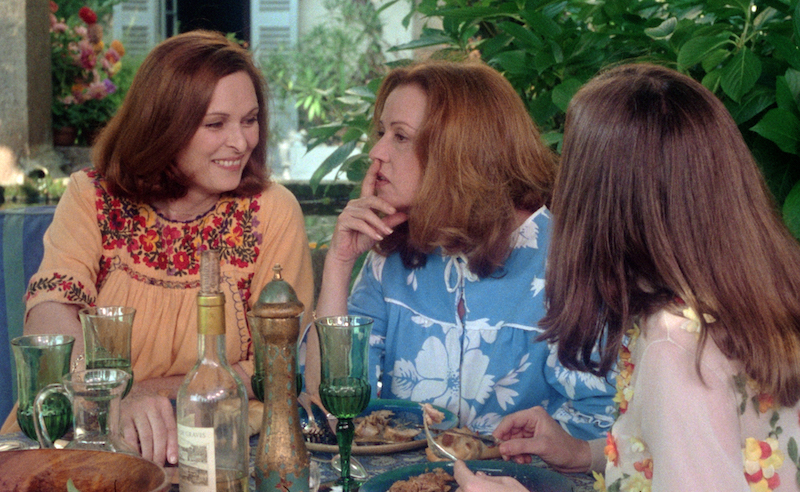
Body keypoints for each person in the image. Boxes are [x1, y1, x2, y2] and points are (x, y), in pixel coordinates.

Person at [456, 63, 800, 491]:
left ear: (598, 202)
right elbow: (699, 450)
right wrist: (585, 453)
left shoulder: (676, 348)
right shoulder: (745, 300)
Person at [4, 30, 315, 466]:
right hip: (81, 439)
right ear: (163, 126)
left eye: (250, 120)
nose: (242, 141)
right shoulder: (92, 196)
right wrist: (110, 403)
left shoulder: (272, 211)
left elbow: (272, 372)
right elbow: (49, 319)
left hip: (218, 450)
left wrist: (146, 394)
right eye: (216, 124)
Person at [306, 59, 615, 439]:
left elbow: (600, 424)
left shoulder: (564, 258)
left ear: (458, 150)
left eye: (400, 137)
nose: (377, 151)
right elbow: (332, 409)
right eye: (382, 132)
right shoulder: (392, 253)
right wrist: (339, 264)